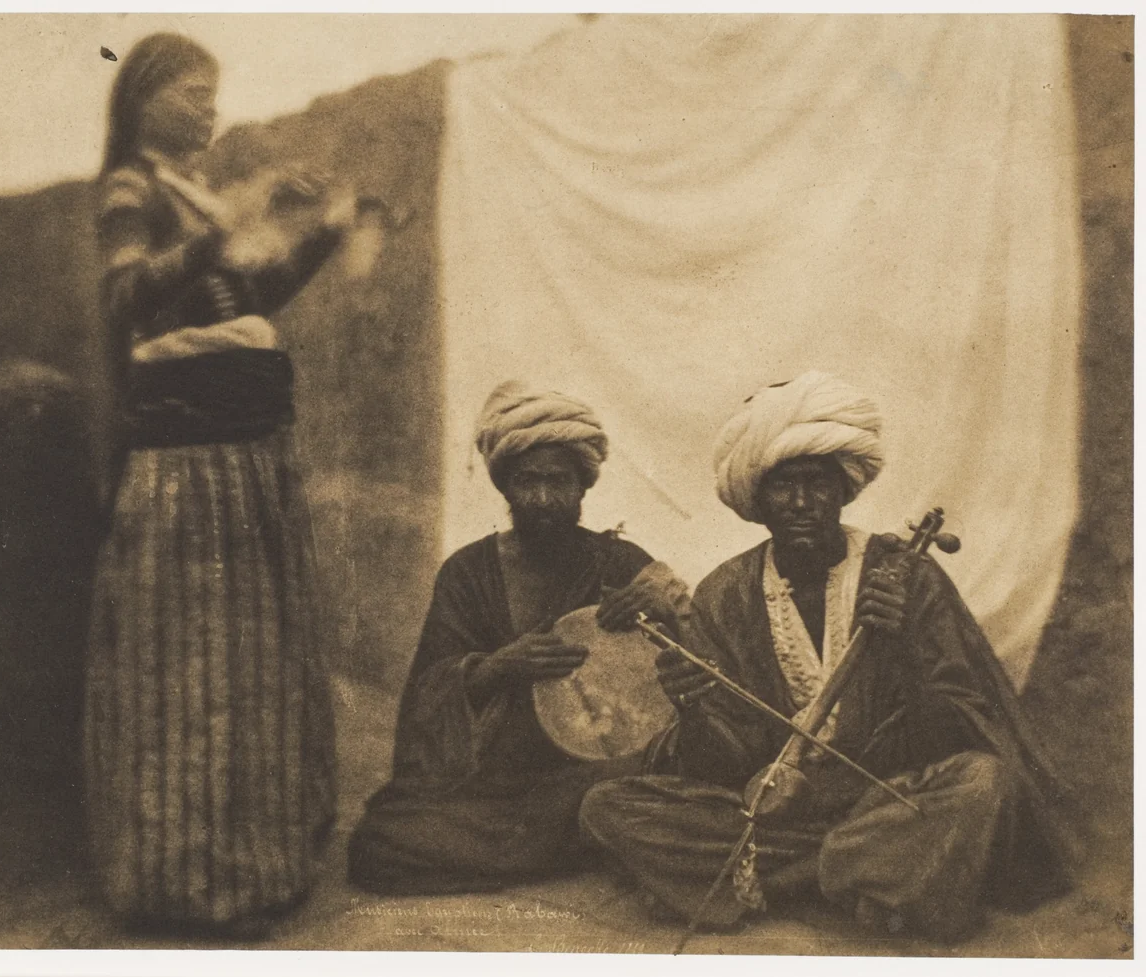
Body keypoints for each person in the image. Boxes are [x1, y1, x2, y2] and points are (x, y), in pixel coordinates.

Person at [580, 370, 1076, 942]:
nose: (800, 503)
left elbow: (959, 727)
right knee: (608, 805)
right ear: (756, 501)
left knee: (979, 783)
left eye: (817, 484)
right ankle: (860, 874)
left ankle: (779, 881)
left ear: (844, 489)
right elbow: (728, 764)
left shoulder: (904, 574)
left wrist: (903, 645)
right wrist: (694, 710)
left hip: (882, 795)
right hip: (775, 808)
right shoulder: (725, 593)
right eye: (781, 487)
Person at [84, 33, 348, 937]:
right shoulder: (132, 191)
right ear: (145, 95)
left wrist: (324, 235)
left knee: (252, 667)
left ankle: (259, 861)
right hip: (188, 468)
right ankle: (191, 883)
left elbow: (250, 298)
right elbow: (127, 300)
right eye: (194, 94)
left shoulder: (192, 195)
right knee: (196, 671)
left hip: (244, 453)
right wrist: (218, 235)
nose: (210, 111)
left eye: (214, 95)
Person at [347, 381, 689, 894]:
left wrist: (659, 610)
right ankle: (568, 846)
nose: (545, 499)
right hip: (498, 776)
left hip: (595, 769)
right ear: (505, 485)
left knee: (625, 792)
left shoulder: (618, 562)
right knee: (380, 841)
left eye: (560, 482)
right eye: (529, 482)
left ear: (584, 486)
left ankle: (542, 843)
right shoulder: (468, 572)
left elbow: (702, 655)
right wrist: (498, 665)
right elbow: (427, 694)